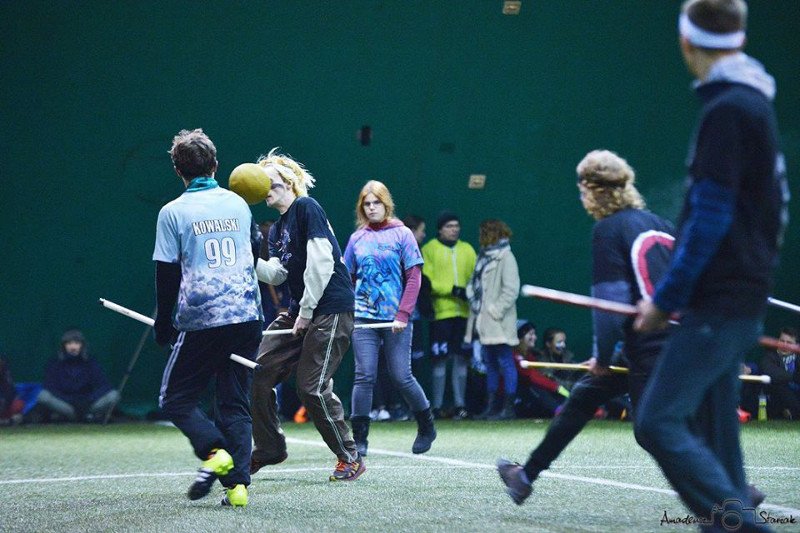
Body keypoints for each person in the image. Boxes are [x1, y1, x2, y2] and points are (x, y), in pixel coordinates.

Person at [633, 0, 787, 528]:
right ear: (740, 40)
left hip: (718, 301)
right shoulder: (753, 103)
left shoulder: (727, 110)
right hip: (741, 296)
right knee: (722, 445)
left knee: (656, 422)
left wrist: (664, 299)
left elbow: (710, 218)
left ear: (686, 42)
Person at [497, 149, 675, 505]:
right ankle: (525, 476)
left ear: (595, 190)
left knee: (651, 430)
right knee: (583, 398)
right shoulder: (663, 225)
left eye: (582, 191)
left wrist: (603, 357)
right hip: (669, 340)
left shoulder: (608, 230)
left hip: (648, 346)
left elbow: (608, 303)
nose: (582, 198)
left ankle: (728, 493)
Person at [153, 128, 263, 508]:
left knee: (175, 398)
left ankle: (214, 452)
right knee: (234, 403)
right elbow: (252, 250)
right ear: (215, 165)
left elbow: (166, 273)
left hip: (203, 320)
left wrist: (163, 322)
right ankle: (238, 488)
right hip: (248, 317)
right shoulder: (238, 205)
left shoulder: (172, 212)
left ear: (177, 170)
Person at [250, 148, 364, 481]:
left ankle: (350, 456)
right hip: (302, 309)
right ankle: (270, 447)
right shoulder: (279, 227)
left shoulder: (306, 207)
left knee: (311, 387)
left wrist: (306, 312)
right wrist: (245, 259)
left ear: (288, 181)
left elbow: (322, 262)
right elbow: (278, 274)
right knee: (259, 370)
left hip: (329, 309)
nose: (265, 190)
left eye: (271, 183)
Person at [344, 180, 436, 456]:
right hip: (363, 318)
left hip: (396, 320)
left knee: (401, 375)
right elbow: (346, 277)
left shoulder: (402, 234)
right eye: (367, 204)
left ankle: (426, 426)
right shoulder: (357, 238)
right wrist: (348, 309)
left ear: (386, 204)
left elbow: (414, 277)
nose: (372, 208)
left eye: (376, 203)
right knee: (364, 376)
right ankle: (359, 439)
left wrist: (403, 313)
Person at [421, 211, 477, 419]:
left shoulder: (468, 250)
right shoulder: (430, 250)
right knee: (440, 361)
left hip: (463, 314)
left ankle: (460, 405)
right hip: (441, 315)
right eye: (449, 226)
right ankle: (436, 406)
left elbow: (475, 278)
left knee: (461, 360)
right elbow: (426, 279)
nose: (454, 229)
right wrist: (451, 289)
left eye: (456, 226)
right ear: (440, 229)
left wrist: (467, 292)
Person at [465, 219, 520, 420]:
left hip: (499, 322)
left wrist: (494, 311)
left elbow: (511, 289)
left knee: (506, 362)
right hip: (483, 321)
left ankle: (508, 407)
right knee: (490, 363)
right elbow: (473, 282)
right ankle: (492, 407)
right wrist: (473, 299)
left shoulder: (506, 257)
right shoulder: (483, 257)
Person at [36, 329, 120, 423]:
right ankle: (74, 417)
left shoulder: (91, 362)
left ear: (82, 345)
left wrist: (89, 400)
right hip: (67, 406)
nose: (73, 347)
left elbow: (104, 385)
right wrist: (70, 400)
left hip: (89, 404)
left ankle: (87, 416)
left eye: (76, 343)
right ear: (64, 346)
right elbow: (49, 387)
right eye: (69, 343)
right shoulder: (55, 363)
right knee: (43, 396)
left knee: (113, 395)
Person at [512, 321, 569, 418]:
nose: (535, 337)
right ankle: (560, 411)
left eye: (534, 334)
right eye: (530, 334)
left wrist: (563, 391)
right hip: (518, 400)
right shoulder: (513, 355)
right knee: (535, 387)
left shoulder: (530, 356)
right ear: (520, 337)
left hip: (535, 400)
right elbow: (534, 377)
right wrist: (559, 388)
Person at [759, 327, 800, 420]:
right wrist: (794, 377)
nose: (785, 345)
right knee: (779, 385)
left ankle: (792, 413)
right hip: (778, 394)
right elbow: (771, 373)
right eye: (782, 341)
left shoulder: (798, 356)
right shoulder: (770, 355)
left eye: (789, 343)